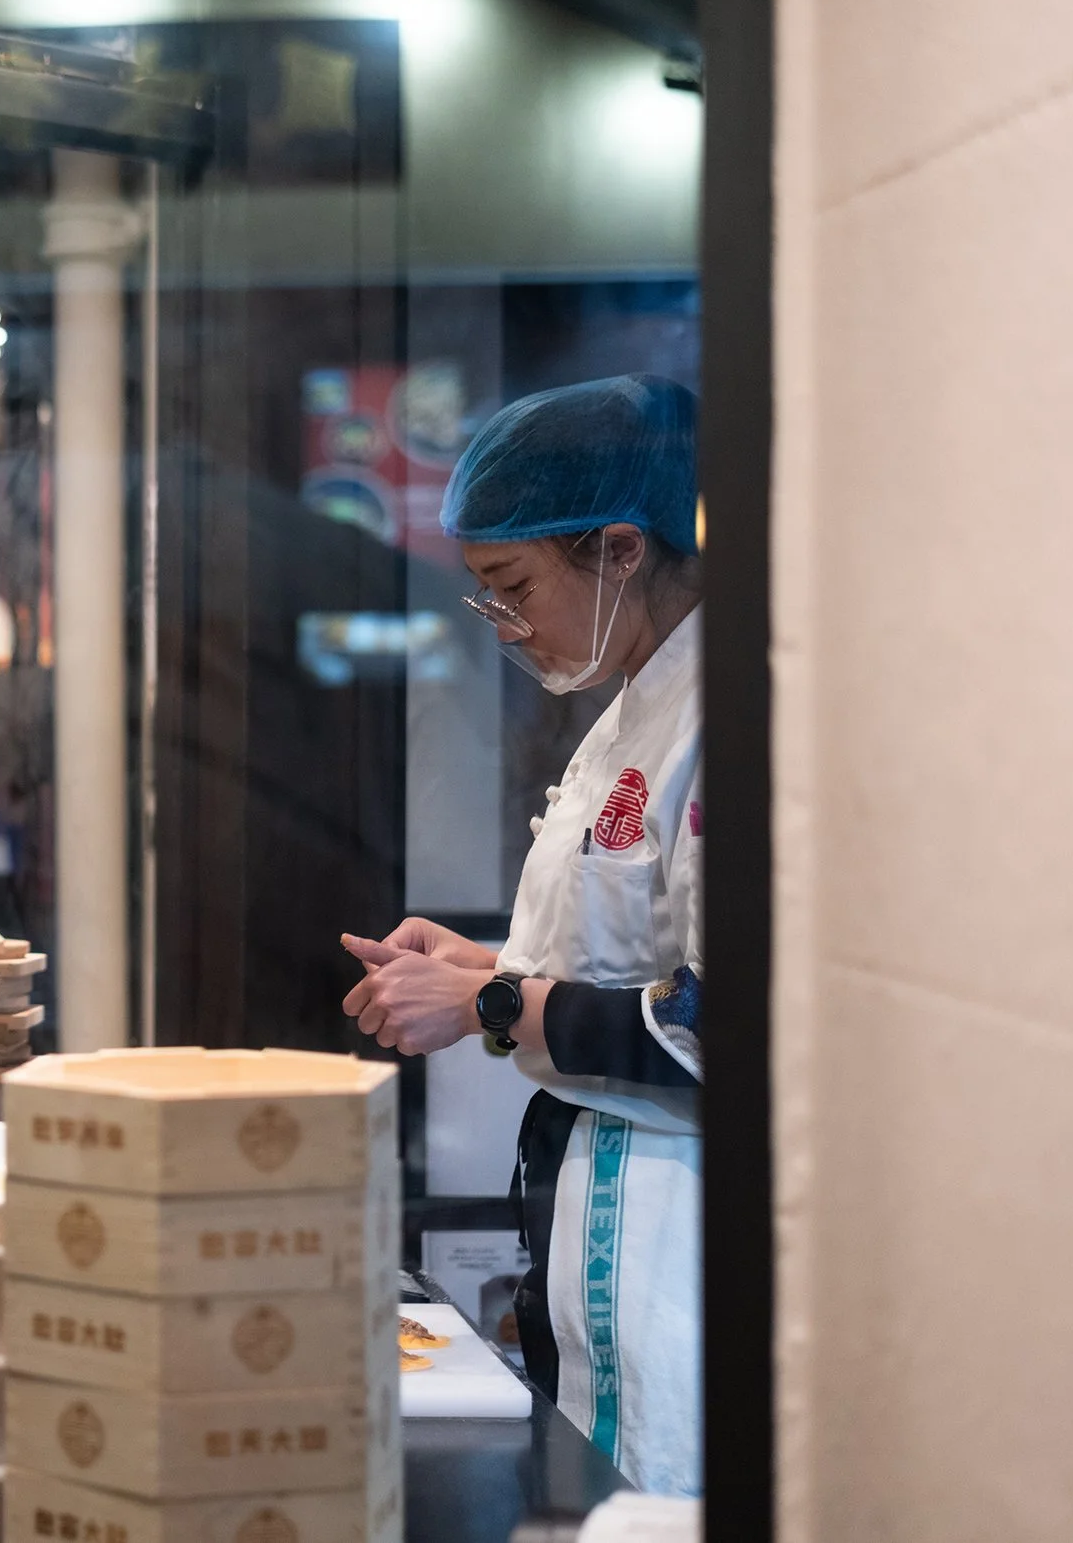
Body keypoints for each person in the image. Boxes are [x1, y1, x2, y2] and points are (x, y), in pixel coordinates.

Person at [338, 375, 704, 1496]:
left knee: (651, 1500)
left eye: (512, 586)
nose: (502, 623)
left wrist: (493, 1005)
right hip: (589, 1201)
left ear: (621, 549)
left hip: (670, 1234)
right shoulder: (631, 709)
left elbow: (721, 1019)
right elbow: (618, 958)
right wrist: (486, 967)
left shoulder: (728, 714)